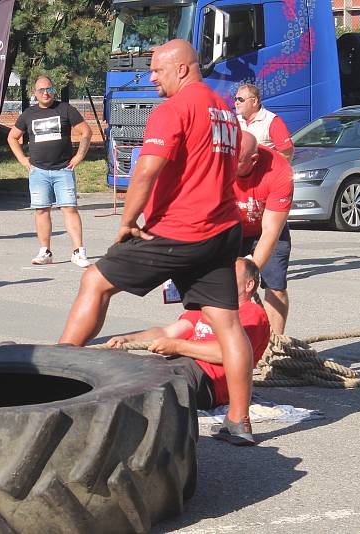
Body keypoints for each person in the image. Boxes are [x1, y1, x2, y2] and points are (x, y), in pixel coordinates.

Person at [58, 40, 256, 445]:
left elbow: (146, 170)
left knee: (95, 280)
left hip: (181, 228)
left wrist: (128, 222)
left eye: (157, 70)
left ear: (182, 69)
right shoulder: (225, 111)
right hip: (222, 231)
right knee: (228, 325)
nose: (150, 78)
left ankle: (55, 372)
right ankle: (239, 421)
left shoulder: (173, 110)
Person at [107, 258, 270, 429]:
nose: (222, 279)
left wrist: (178, 346)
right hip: (183, 363)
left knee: (151, 387)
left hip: (209, 380)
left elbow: (227, 353)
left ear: (249, 285)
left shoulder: (253, 313)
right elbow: (167, 332)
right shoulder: (210, 308)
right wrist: (128, 340)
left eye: (230, 275)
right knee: (128, 372)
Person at [7, 76, 93, 268]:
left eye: (49, 89)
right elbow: (13, 137)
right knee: (41, 210)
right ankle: (45, 251)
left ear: (54, 90)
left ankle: (78, 252)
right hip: (38, 172)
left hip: (63, 170)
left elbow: (86, 132)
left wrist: (78, 157)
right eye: (41, 90)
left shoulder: (65, 109)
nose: (45, 93)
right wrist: (22, 160)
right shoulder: (28, 114)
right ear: (35, 93)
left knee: (69, 208)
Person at [235, 133, 293, 334]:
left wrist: (249, 273)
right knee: (222, 284)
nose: (230, 165)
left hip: (267, 229)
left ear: (253, 159)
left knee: (275, 287)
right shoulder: (219, 164)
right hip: (232, 229)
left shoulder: (279, 170)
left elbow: (270, 231)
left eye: (238, 161)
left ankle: (274, 344)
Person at [234, 84, 294, 161]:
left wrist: (269, 170)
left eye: (240, 99)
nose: (236, 103)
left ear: (254, 101)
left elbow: (287, 154)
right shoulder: (234, 121)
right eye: (235, 99)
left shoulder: (272, 121)